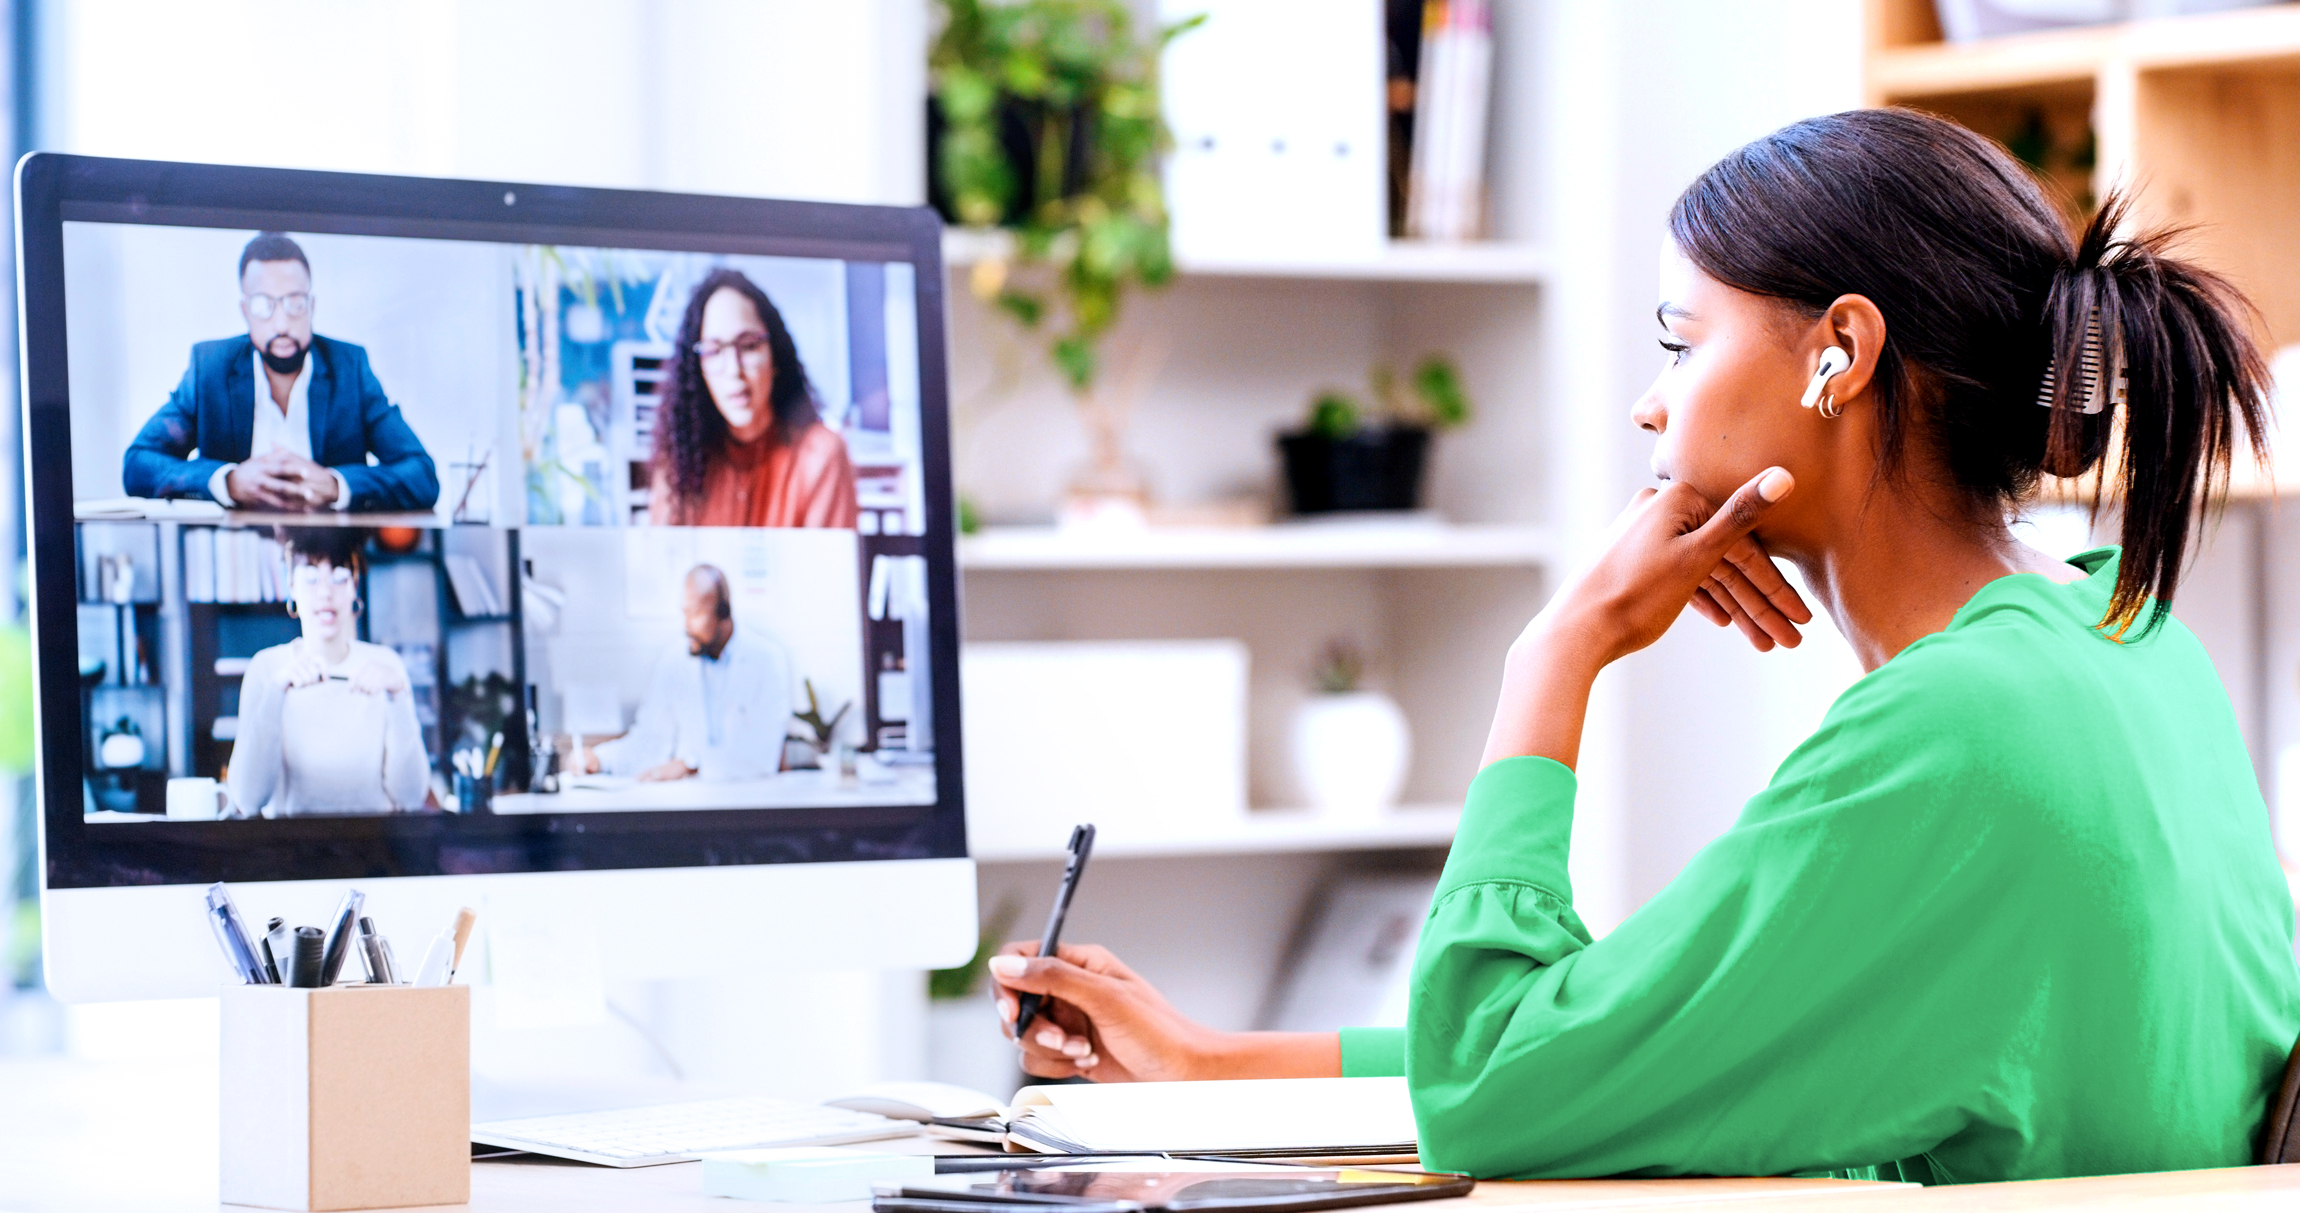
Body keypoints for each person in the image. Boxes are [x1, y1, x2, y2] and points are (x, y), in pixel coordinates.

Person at [982, 109, 2300, 1183]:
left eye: (1680, 342)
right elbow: (1622, 1038)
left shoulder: (1954, 733)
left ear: (1838, 355)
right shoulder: (2126, 639)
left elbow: (1490, 1086)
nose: (1648, 404)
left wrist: (1554, 656)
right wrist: (1208, 1059)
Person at [122, 232, 440, 512]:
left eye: (295, 303)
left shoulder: (349, 368)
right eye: (264, 305)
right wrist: (228, 481)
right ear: (245, 312)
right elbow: (139, 463)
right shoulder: (211, 368)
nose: (282, 323)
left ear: (311, 306)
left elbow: (421, 474)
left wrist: (334, 485)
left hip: (332, 555)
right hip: (235, 551)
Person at [226, 528, 428, 816]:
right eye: (310, 577)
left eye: (339, 577)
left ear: (354, 585)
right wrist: (275, 693)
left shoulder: (387, 666)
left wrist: (398, 697)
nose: (325, 592)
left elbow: (410, 798)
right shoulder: (267, 668)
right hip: (289, 841)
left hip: (371, 839)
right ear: (292, 585)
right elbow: (248, 800)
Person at [647, 268, 858, 528]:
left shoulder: (821, 455)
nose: (733, 370)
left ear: (774, 356)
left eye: (748, 346)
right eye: (713, 351)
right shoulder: (680, 463)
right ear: (697, 369)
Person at [575, 564, 792, 782]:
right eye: (684, 613)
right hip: (689, 798)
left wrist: (690, 765)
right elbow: (649, 741)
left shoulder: (768, 660)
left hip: (749, 797)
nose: (687, 626)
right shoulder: (674, 660)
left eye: (696, 614)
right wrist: (600, 760)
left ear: (723, 612)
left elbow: (762, 756)